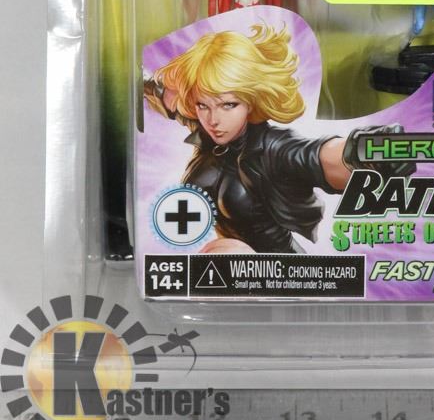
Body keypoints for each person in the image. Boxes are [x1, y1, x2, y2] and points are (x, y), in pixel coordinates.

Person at [144, 26, 411, 254]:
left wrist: (367, 151)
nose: (214, 119)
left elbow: (317, 156)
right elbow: (165, 97)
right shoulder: (209, 132)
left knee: (227, 250)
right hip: (236, 279)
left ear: (252, 100)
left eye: (229, 105)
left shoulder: (273, 150)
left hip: (286, 275)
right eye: (203, 105)